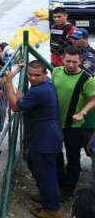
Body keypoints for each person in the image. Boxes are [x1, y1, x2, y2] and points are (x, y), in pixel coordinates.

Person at [5, 60, 63, 218]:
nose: (32, 78)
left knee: (46, 173)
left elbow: (16, 107)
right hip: (47, 136)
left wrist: (9, 84)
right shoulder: (46, 85)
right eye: (30, 74)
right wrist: (22, 99)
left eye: (37, 75)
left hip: (43, 140)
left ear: (45, 74)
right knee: (36, 165)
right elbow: (26, 102)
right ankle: (47, 196)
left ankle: (52, 209)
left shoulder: (38, 91)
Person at [51, 46, 95, 202]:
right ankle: (58, 183)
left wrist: (83, 112)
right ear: (62, 59)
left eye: (74, 62)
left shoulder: (87, 79)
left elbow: (93, 100)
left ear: (80, 61)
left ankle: (68, 190)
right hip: (55, 124)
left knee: (73, 158)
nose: (70, 65)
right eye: (68, 61)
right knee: (55, 154)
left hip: (74, 127)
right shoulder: (56, 72)